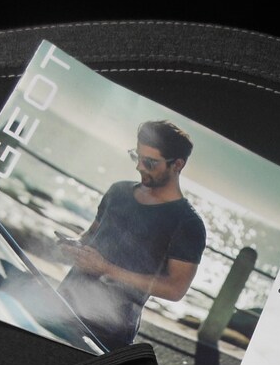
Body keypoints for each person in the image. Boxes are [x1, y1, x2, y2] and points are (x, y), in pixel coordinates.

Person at [56, 120, 207, 351]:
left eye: (150, 162)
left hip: (107, 333)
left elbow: (175, 289)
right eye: (137, 156)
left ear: (177, 164)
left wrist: (106, 269)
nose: (139, 167)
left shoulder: (188, 224)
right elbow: (91, 235)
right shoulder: (118, 191)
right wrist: (74, 246)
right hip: (61, 304)